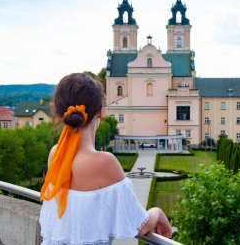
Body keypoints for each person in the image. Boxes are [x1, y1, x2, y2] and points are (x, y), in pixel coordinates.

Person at [39, 73, 172, 244]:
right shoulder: (104, 162)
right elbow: (141, 225)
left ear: (59, 111)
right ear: (101, 111)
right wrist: (157, 212)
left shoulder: (55, 154)